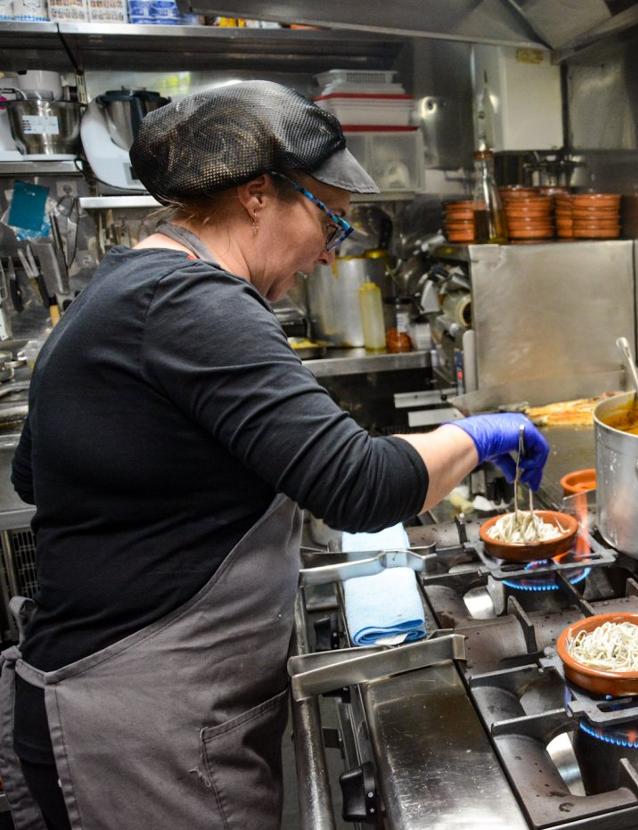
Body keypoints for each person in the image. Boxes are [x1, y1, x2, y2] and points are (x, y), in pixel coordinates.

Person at [0, 81, 549, 830]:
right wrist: (483, 434)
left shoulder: (125, 284)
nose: (330, 253)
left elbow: (37, 474)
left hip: (102, 694)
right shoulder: (196, 303)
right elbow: (359, 486)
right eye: (330, 220)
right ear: (258, 195)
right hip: (144, 726)